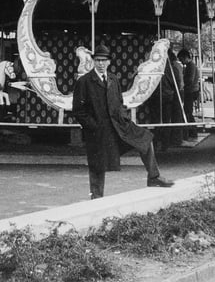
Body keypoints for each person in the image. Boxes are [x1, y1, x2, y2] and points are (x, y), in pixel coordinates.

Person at [72, 43, 174, 199]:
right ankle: (97, 197)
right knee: (98, 164)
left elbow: (119, 101)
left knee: (145, 139)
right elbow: (78, 111)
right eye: (98, 60)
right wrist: (93, 126)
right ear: (93, 61)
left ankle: (154, 177)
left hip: (119, 125)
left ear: (109, 62)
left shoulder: (113, 79)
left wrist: (124, 117)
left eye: (104, 60)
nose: (100, 64)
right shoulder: (84, 82)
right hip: (99, 130)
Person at [178, 49, 199, 139]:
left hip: (191, 91)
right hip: (191, 90)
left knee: (188, 112)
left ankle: (193, 132)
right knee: (188, 111)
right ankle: (191, 131)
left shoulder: (191, 66)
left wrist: (183, 83)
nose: (181, 62)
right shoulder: (189, 66)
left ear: (185, 57)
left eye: (181, 59)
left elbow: (190, 80)